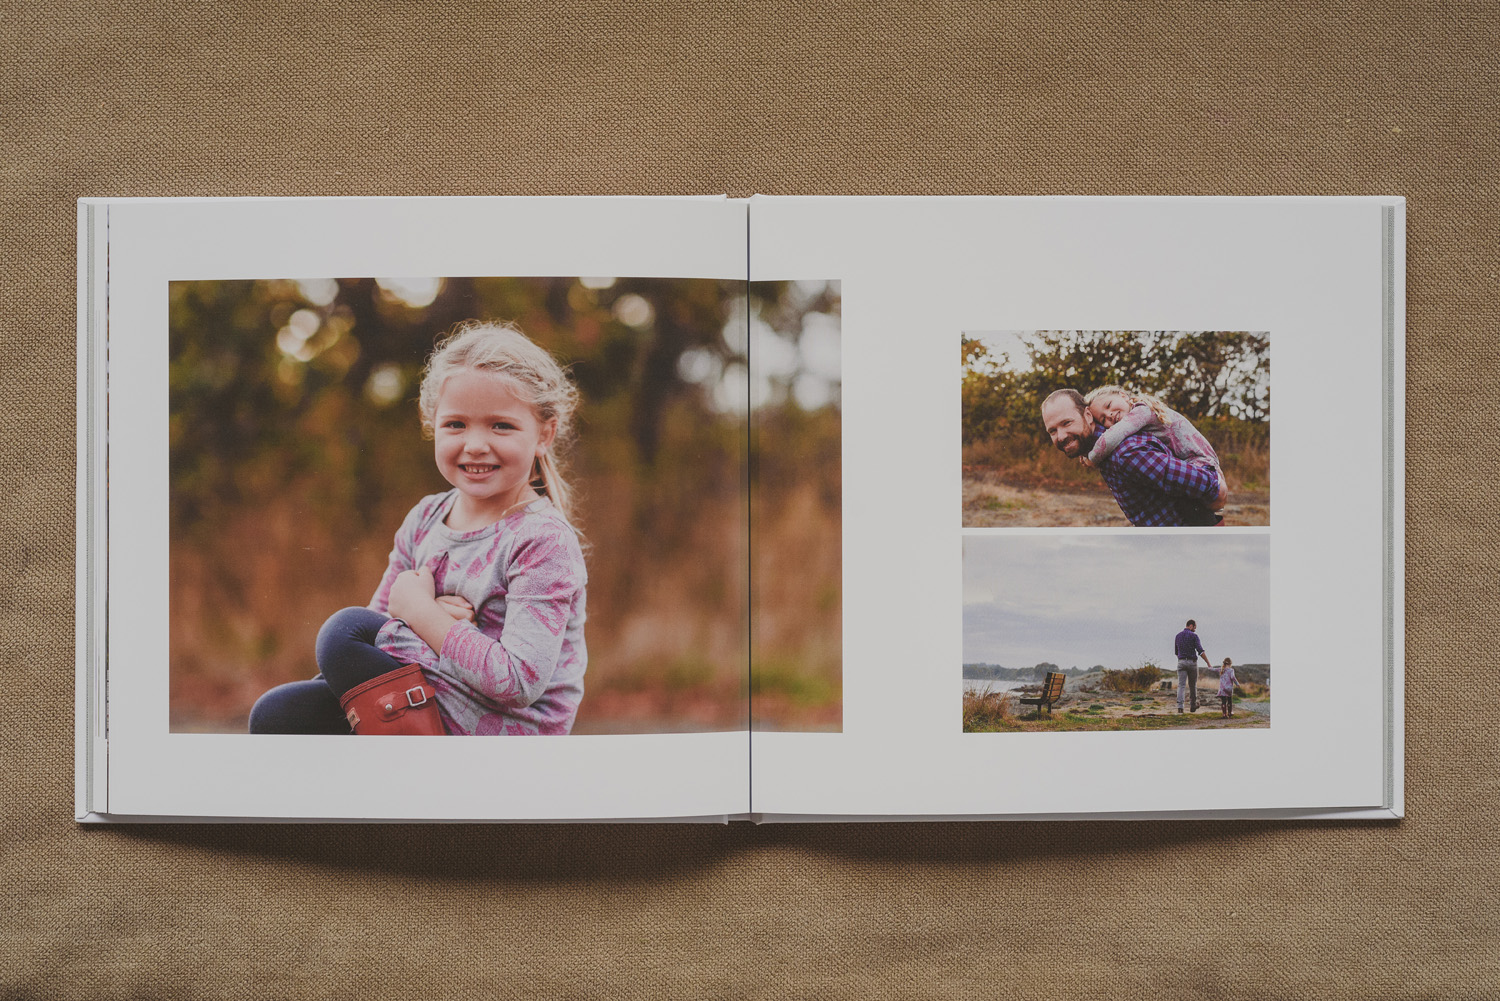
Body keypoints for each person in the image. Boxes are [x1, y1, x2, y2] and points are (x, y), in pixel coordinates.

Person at [249, 320, 589, 736]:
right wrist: (420, 619)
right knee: (277, 715)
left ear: (544, 434)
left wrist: (420, 612)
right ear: (432, 424)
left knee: (343, 631)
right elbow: (379, 633)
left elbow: (517, 682)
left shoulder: (542, 540)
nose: (475, 444)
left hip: (500, 730)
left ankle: (422, 781)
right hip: (426, 692)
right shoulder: (427, 516)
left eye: (501, 425)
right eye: (456, 424)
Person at [1040, 388, 1225, 527]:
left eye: (1067, 423)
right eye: (1053, 431)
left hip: (1190, 545)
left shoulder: (1127, 452)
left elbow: (1207, 484)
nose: (1061, 436)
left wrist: (1216, 489)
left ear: (1088, 416)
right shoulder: (1111, 453)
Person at [1081, 385, 1226, 507]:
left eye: (1108, 405)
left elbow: (1112, 436)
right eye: (1103, 418)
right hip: (1197, 462)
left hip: (1202, 464)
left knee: (1199, 507)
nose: (1110, 414)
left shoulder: (1142, 411)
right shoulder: (1139, 414)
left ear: (1124, 396)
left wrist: (1092, 458)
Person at [1174, 618, 1213, 713]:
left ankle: (1180, 707)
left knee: (1181, 685)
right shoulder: (1194, 636)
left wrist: (1181, 661)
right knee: (1192, 685)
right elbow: (1200, 651)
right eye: (1195, 627)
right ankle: (1193, 706)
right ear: (1191, 625)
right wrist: (1208, 663)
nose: (1195, 629)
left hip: (1181, 661)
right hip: (1192, 662)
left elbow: (1176, 652)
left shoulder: (1178, 636)